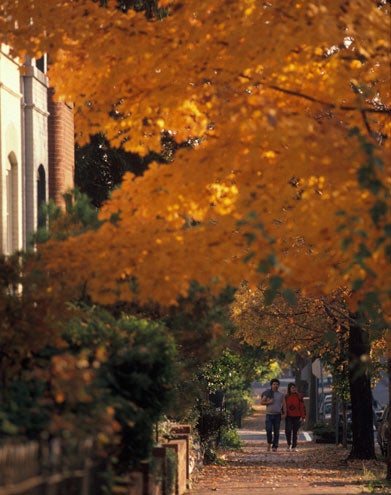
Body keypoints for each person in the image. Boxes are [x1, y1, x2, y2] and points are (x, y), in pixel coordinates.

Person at [261, 378, 286, 452]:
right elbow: (262, 402)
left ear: (278, 386)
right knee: (268, 430)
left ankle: (275, 446)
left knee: (276, 431)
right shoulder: (268, 393)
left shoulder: (281, 395)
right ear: (271, 385)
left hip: (277, 415)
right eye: (274, 384)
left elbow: (284, 405)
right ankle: (269, 442)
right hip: (269, 414)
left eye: (277, 384)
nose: (275, 386)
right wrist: (269, 402)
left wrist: (285, 413)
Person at [285, 383, 306, 452]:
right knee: (288, 430)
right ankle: (289, 444)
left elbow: (302, 407)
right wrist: (283, 414)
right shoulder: (286, 396)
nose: (294, 389)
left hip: (297, 416)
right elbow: (283, 406)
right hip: (288, 416)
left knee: (295, 432)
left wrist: (303, 416)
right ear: (289, 389)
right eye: (292, 388)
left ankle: (294, 446)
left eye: (294, 388)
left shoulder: (299, 396)